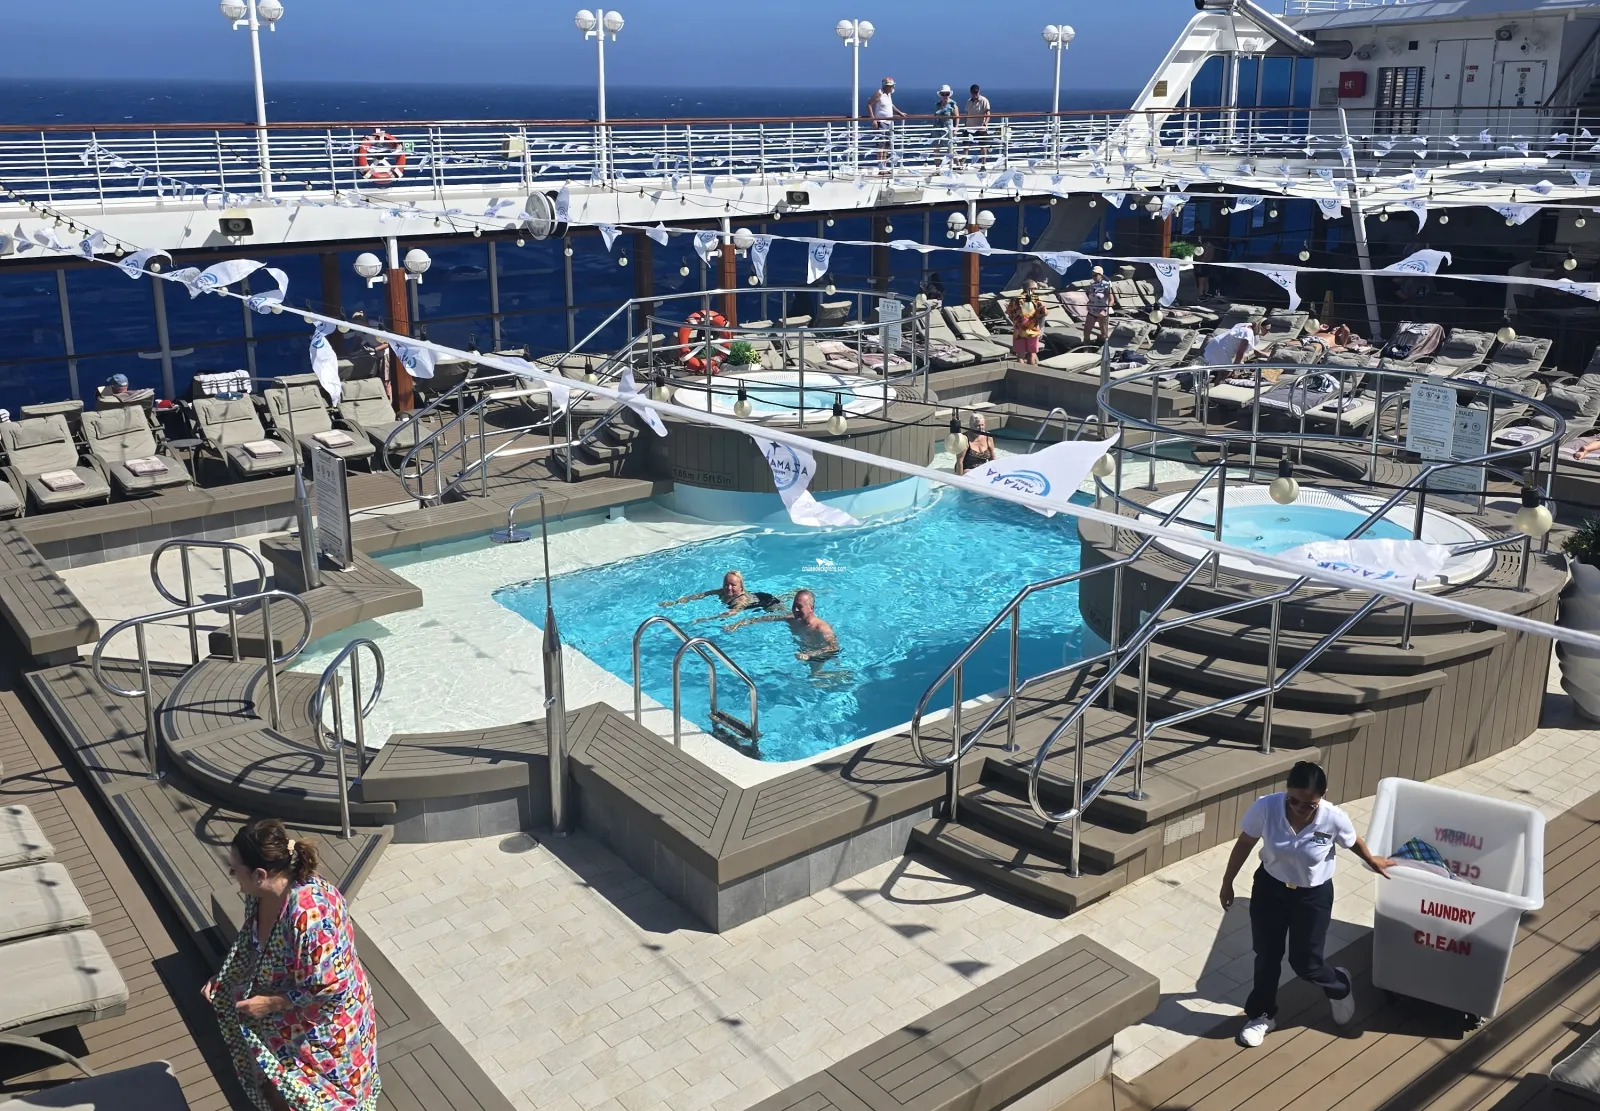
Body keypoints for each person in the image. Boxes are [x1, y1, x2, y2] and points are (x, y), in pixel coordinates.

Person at [205, 818, 380, 1111]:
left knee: (320, 1103)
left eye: (235, 869)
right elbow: (255, 946)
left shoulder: (310, 918)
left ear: (260, 874)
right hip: (284, 1025)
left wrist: (269, 1004)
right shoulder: (260, 896)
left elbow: (331, 986)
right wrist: (225, 979)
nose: (232, 874)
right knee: (279, 1091)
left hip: (323, 1031)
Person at [1219, 761, 1393, 1049]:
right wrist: (1228, 882)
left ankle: (1339, 986)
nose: (1300, 808)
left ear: (1323, 795)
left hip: (1312, 896)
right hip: (1270, 889)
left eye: (1309, 804)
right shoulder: (1266, 807)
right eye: (1294, 801)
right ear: (1286, 792)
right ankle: (1262, 1015)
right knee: (1267, 955)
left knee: (1306, 963)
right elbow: (1244, 843)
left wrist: (1371, 860)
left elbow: (1352, 841)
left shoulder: (1334, 818)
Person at [727, 588, 839, 662]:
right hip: (805, 652)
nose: (795, 610)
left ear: (811, 608)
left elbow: (834, 647)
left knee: (814, 677)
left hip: (818, 654)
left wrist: (810, 654)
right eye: (794, 606)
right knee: (813, 677)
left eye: (799, 607)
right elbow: (765, 618)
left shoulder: (821, 628)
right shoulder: (792, 619)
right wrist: (738, 624)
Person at [661, 569, 787, 621]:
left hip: (768, 603)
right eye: (726, 584)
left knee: (782, 615)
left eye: (733, 585)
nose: (729, 588)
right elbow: (701, 595)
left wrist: (706, 619)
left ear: (741, 587)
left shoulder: (741, 601)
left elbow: (731, 613)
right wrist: (675, 602)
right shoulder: (722, 591)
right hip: (758, 596)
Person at [866, 77, 906, 169]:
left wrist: (899, 113)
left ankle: (884, 165)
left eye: (892, 86)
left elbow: (890, 105)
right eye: (890, 86)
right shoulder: (879, 93)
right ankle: (881, 167)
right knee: (881, 145)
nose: (892, 87)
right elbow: (869, 105)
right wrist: (874, 120)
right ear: (885, 86)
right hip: (881, 122)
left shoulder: (889, 94)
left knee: (887, 145)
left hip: (889, 122)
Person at [1007, 281, 1048, 366]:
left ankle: (1020, 372)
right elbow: (1045, 312)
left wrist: (1017, 322)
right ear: (1031, 289)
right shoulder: (1036, 299)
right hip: (1032, 330)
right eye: (1035, 289)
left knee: (1020, 356)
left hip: (1019, 331)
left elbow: (1010, 314)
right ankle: (1030, 372)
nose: (1035, 291)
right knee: (1032, 354)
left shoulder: (1015, 299)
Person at [1083, 265, 1115, 346]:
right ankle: (1086, 348)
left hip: (1102, 312)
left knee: (1104, 334)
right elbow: (1091, 297)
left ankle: (1101, 345)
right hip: (1092, 311)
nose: (1093, 277)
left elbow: (1111, 300)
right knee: (1086, 331)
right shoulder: (1092, 285)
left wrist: (1105, 310)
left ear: (1100, 275)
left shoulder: (1106, 285)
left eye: (1095, 275)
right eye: (1092, 275)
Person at [963, 85, 993, 164]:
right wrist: (965, 126)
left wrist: (985, 124)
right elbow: (967, 114)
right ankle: (962, 163)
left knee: (983, 147)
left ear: (979, 92)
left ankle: (983, 164)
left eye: (976, 92)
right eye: (973, 92)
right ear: (971, 92)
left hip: (980, 128)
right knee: (966, 146)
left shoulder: (984, 100)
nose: (975, 94)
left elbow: (988, 114)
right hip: (969, 127)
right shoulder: (969, 102)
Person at [933, 85, 960, 165]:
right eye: (943, 94)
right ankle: (937, 167)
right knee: (936, 148)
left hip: (948, 129)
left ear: (949, 94)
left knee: (951, 148)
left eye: (947, 94)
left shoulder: (953, 104)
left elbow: (957, 117)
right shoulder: (938, 105)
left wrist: (955, 129)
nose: (945, 96)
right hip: (938, 129)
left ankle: (958, 164)